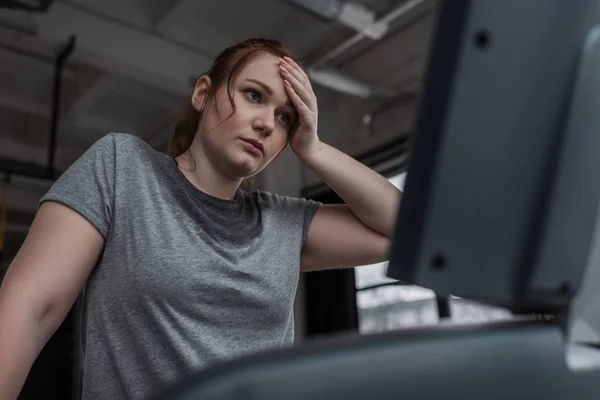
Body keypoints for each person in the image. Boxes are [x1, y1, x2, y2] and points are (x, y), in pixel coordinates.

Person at [0, 38, 402, 399]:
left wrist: (313, 148)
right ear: (203, 93)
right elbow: (32, 307)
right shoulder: (122, 168)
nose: (266, 123)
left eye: (285, 117)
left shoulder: (282, 222)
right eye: (253, 95)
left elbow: (402, 230)